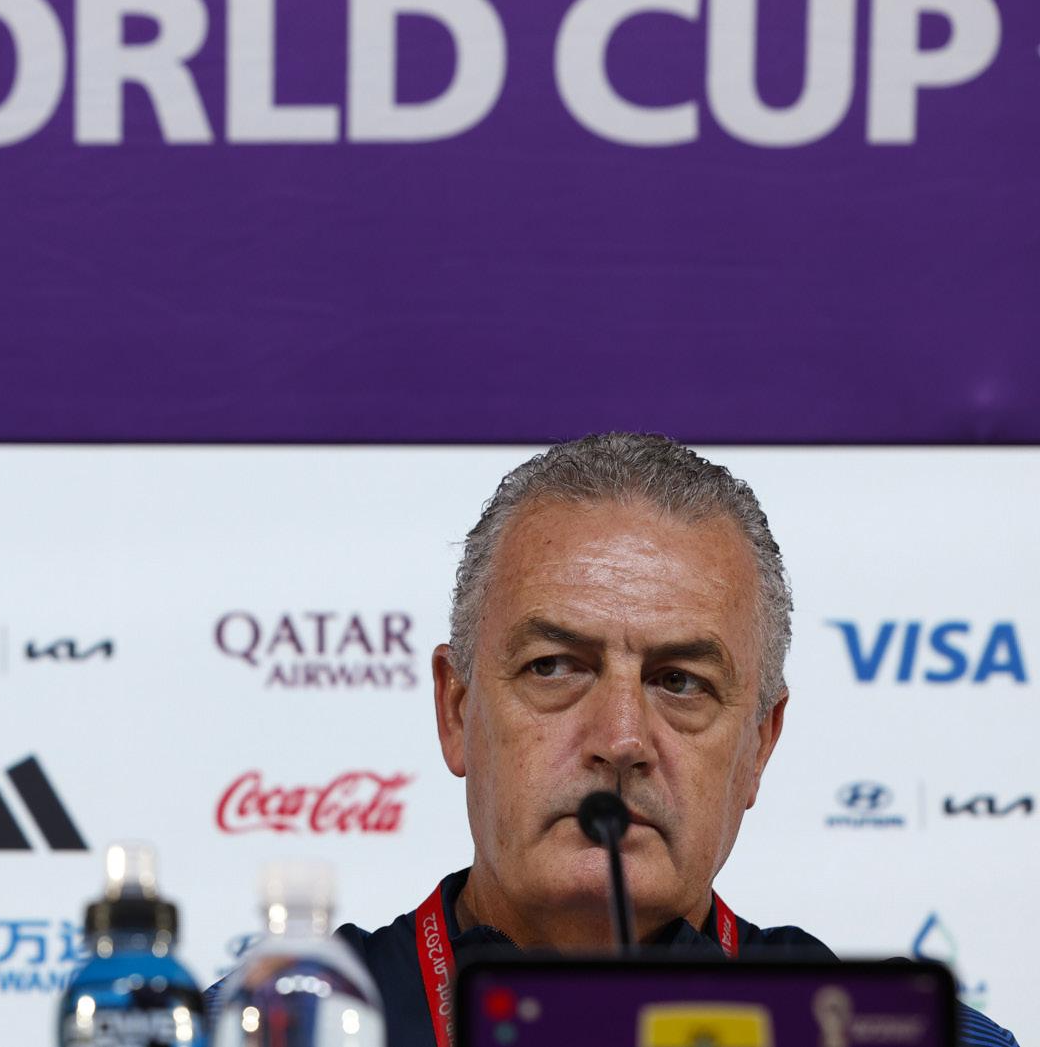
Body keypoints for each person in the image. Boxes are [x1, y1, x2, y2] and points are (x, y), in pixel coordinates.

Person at [216, 433, 1017, 1047]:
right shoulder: (266, 1028)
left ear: (758, 748)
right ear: (456, 710)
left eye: (680, 681)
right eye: (555, 667)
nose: (622, 737)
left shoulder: (914, 1037)